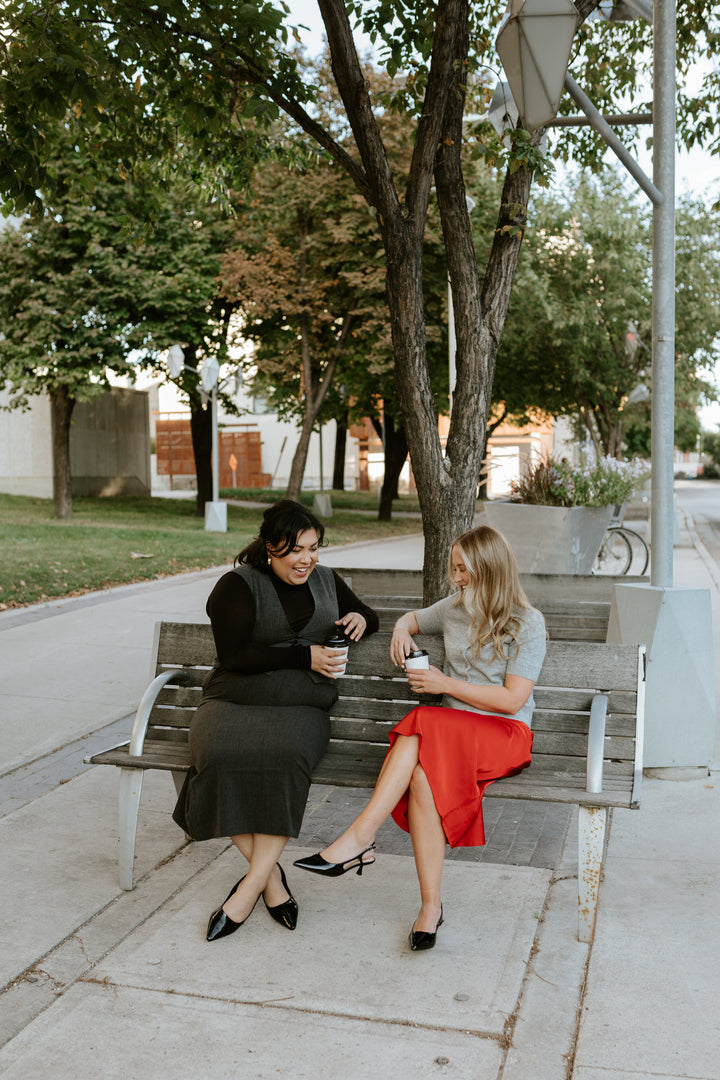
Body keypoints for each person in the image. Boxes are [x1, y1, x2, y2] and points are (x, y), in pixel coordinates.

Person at [294, 524, 546, 951]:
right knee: (421, 780)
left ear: (490, 569)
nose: (457, 579)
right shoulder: (454, 607)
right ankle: (430, 908)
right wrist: (400, 630)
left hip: (504, 734)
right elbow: (413, 618)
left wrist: (443, 684)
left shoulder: (527, 623)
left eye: (464, 570)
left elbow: (511, 699)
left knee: (424, 719)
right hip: (448, 736)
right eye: (454, 569)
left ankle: (361, 836)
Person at [172, 499, 379, 942]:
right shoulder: (237, 586)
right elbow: (234, 656)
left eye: (313, 547)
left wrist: (362, 615)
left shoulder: (325, 580)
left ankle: (249, 886)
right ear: (270, 548)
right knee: (218, 758)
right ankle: (270, 881)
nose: (307, 559)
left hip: (300, 710)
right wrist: (305, 655)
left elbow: (370, 616)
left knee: (285, 758)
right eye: (295, 551)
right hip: (233, 702)